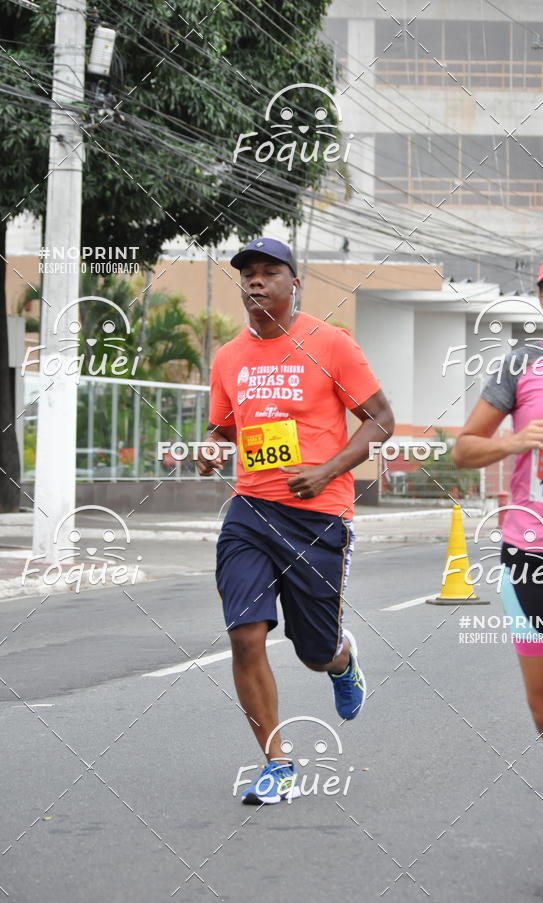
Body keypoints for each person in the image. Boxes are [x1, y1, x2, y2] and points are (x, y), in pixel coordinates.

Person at [196, 237, 394, 805]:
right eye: (248, 275)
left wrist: (329, 468)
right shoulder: (229, 357)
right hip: (250, 512)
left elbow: (381, 418)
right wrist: (212, 447)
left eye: (269, 273)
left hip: (317, 516)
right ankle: (277, 764)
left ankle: (340, 659)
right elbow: (224, 428)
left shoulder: (330, 345)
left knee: (313, 651)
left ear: (294, 284)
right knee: (244, 635)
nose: (256, 282)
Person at [453, 246, 543, 898]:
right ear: (541, 298)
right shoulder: (521, 365)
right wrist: (513, 441)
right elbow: (462, 448)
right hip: (529, 557)